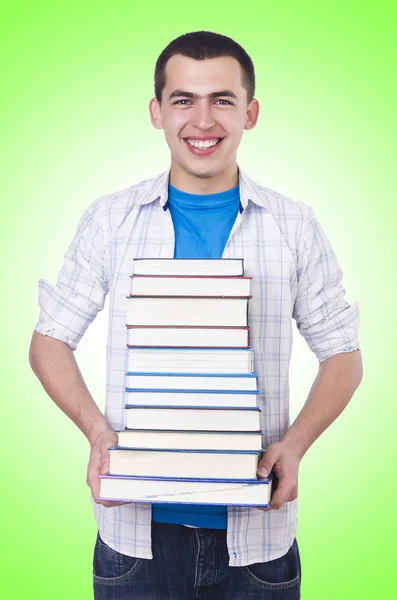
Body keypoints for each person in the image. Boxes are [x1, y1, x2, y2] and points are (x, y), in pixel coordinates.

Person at [29, 30, 363, 599]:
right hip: (135, 538)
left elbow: (343, 355)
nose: (202, 120)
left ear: (250, 113)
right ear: (157, 112)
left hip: (258, 537)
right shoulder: (112, 220)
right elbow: (49, 342)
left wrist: (297, 444)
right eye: (183, 100)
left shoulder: (293, 225)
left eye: (222, 100)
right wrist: (95, 433)